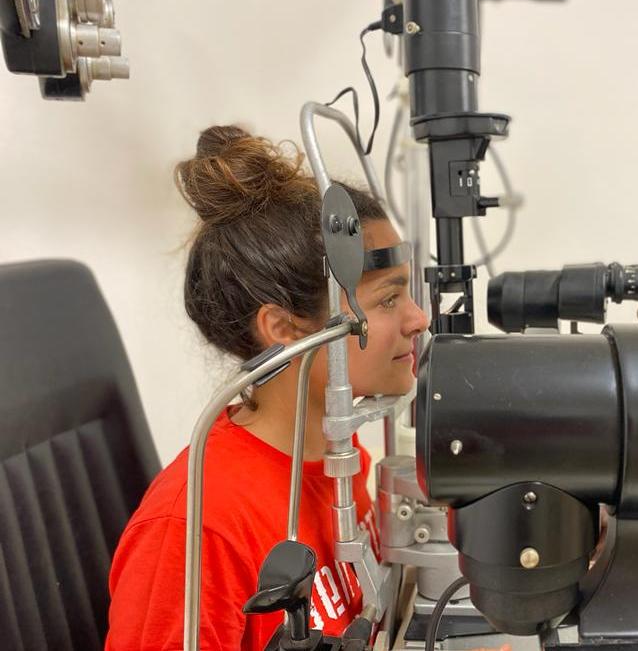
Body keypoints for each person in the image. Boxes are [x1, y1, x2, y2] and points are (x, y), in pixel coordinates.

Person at [106, 125, 429, 651]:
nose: (416, 319)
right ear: (283, 328)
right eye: (388, 301)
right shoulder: (198, 530)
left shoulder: (340, 459)